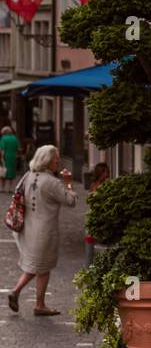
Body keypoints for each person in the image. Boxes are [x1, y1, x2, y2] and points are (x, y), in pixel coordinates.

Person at [8, 145, 76, 317]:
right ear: (47, 160)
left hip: (27, 229)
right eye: (56, 158)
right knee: (42, 267)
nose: (58, 161)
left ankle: (34, 301)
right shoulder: (52, 182)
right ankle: (28, 298)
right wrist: (68, 182)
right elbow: (71, 201)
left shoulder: (27, 176)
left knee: (38, 266)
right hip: (45, 231)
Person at [84, 161, 110, 267]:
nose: (107, 174)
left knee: (92, 246)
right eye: (106, 172)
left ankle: (90, 266)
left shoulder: (93, 185)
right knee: (93, 245)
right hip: (97, 219)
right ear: (102, 173)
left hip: (92, 218)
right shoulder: (101, 186)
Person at [0, 125, 19, 190]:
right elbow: (18, 148)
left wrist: (2, 158)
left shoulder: (3, 138)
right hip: (13, 156)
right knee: (12, 172)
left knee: (3, 172)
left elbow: (2, 150)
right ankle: (10, 188)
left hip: (6, 156)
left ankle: (2, 188)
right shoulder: (15, 138)